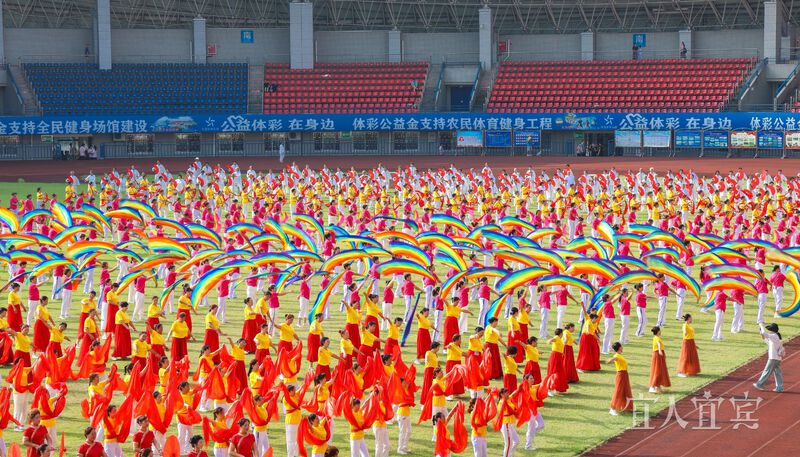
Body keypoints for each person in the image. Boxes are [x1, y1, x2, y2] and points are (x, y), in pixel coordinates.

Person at [753, 323, 785, 392]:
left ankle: (760, 385)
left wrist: (761, 325)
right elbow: (766, 340)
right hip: (777, 358)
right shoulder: (775, 336)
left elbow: (765, 334)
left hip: (773, 358)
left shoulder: (774, 336)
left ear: (772, 330)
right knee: (777, 373)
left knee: (767, 371)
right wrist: (761, 333)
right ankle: (780, 388)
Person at [606, 342, 633, 415]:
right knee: (618, 391)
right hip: (621, 375)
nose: (622, 347)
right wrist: (610, 360)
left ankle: (626, 406)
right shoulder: (617, 355)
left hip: (624, 374)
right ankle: (612, 409)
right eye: (621, 346)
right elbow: (614, 358)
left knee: (625, 390)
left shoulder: (619, 355)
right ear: (619, 347)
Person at [649, 326, 670, 393]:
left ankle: (658, 387)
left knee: (659, 370)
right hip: (657, 355)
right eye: (660, 330)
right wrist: (660, 350)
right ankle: (653, 386)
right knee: (657, 370)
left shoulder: (656, 338)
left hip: (658, 355)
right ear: (658, 332)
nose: (660, 332)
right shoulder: (656, 338)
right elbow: (658, 344)